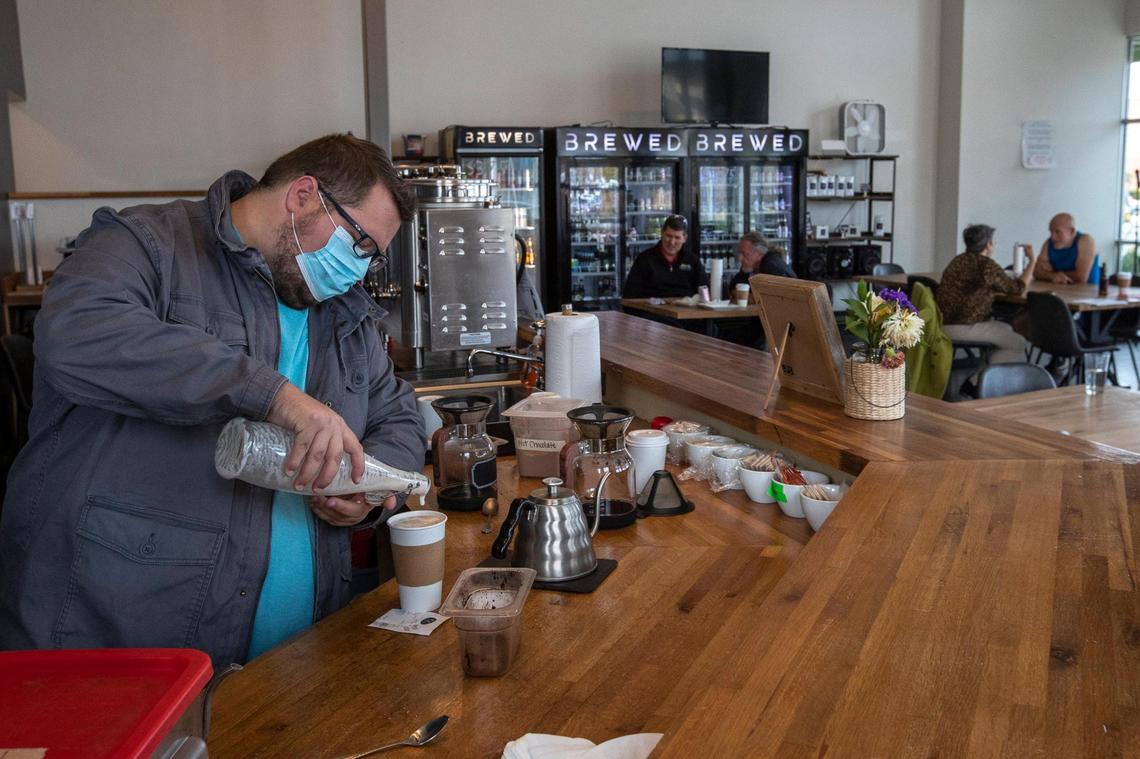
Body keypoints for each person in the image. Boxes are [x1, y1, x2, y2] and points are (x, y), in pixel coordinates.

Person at [0, 134, 425, 667]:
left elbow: (398, 415)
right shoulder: (147, 245)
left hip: (291, 660)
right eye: (359, 245)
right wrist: (272, 395)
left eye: (373, 260)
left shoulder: (343, 310)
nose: (359, 270)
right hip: (128, 652)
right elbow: (78, 333)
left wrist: (367, 491)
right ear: (303, 196)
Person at [937, 223, 1035, 364]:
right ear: (988, 244)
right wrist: (1032, 261)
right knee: (1018, 342)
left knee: (1006, 328)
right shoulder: (986, 266)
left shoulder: (957, 260)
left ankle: (990, 364)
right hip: (965, 326)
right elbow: (1016, 289)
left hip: (943, 323)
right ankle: (984, 375)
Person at [621, 214, 704, 298]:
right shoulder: (644, 260)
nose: (672, 242)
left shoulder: (693, 261)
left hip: (685, 306)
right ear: (662, 233)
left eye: (677, 238)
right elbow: (629, 297)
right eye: (669, 236)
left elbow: (705, 294)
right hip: (651, 306)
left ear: (685, 238)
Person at [1034, 212, 1099, 284]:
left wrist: (1049, 274)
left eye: (1057, 232)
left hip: (1086, 290)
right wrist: (1052, 276)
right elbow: (1036, 272)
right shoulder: (1048, 243)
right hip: (1058, 289)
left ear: (1072, 231)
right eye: (1051, 232)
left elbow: (1081, 277)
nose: (1052, 237)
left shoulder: (1086, 241)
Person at [729, 231, 796, 291]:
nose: (740, 258)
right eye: (739, 253)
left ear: (759, 253)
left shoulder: (773, 267)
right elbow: (733, 287)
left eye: (744, 254)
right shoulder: (749, 267)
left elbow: (771, 297)